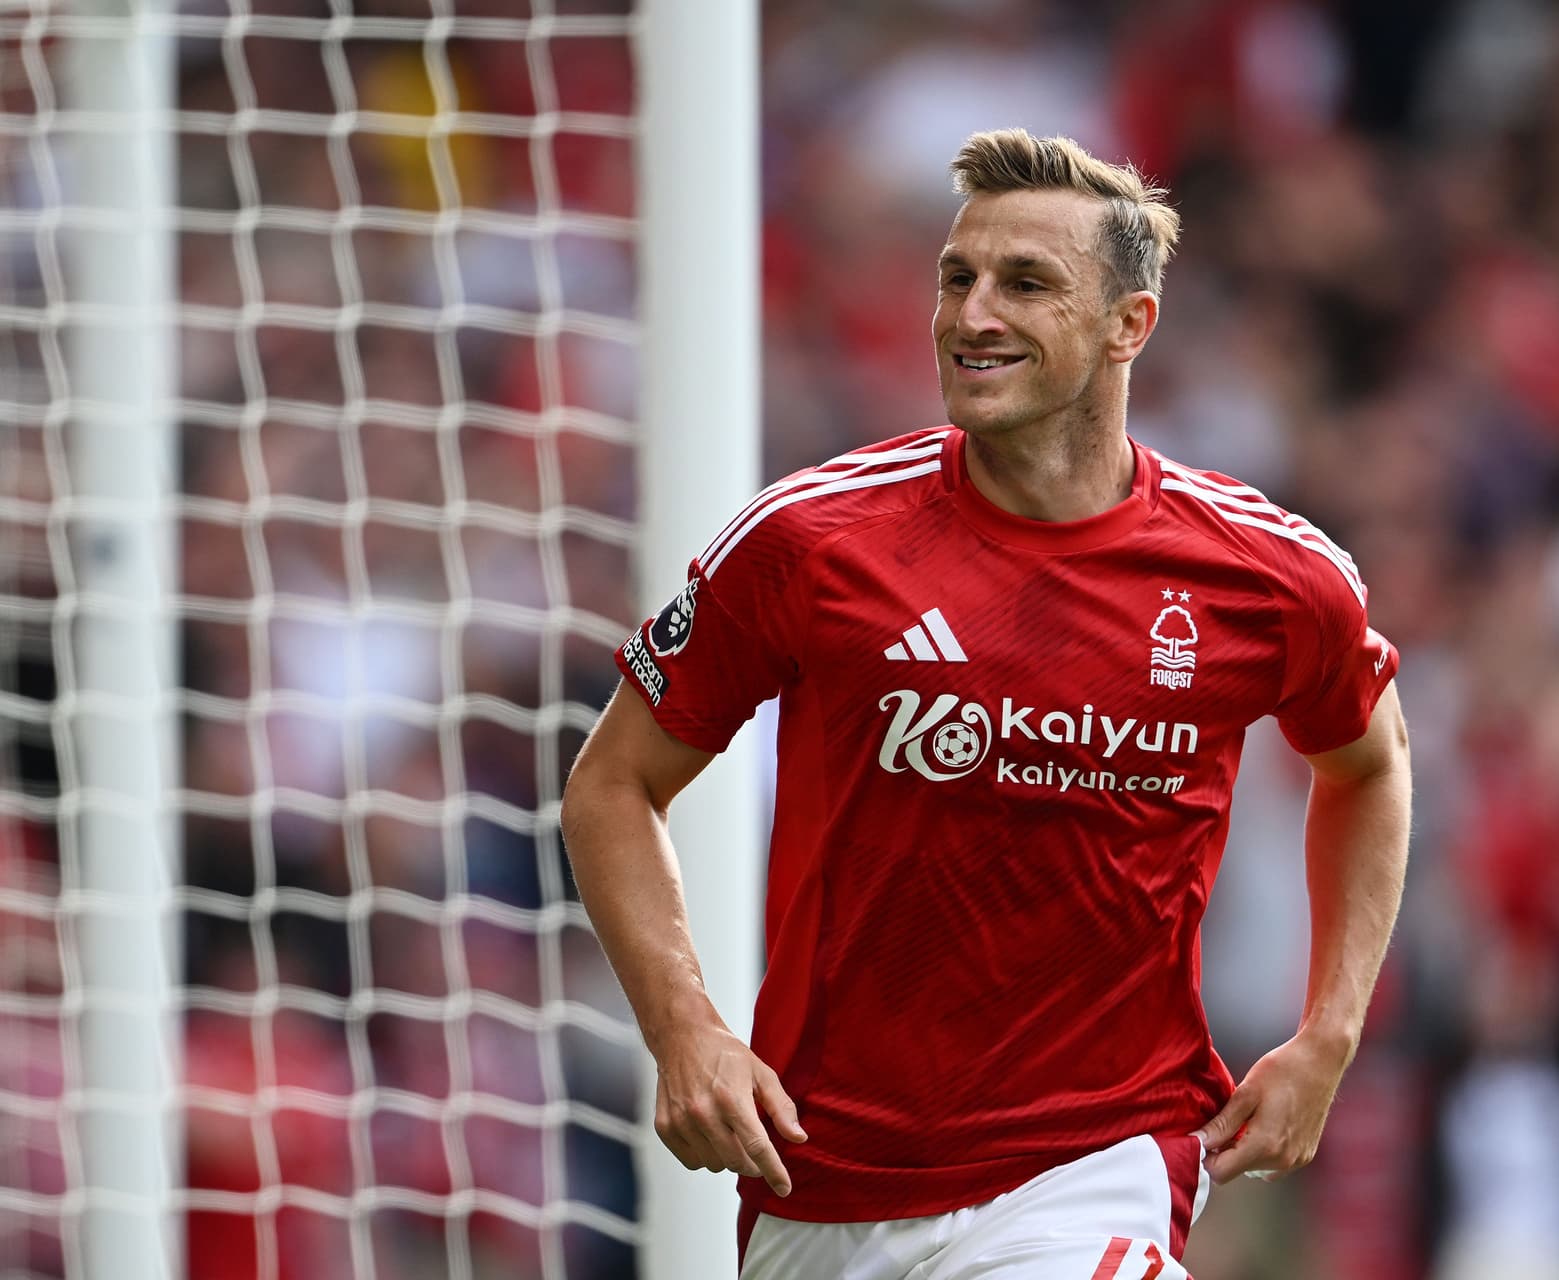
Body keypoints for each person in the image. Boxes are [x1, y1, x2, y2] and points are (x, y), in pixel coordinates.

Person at [561, 128, 1413, 1278]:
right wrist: (685, 1029)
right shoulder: (813, 540)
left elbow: (1369, 762)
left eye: (1026, 283)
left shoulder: (1264, 574)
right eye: (956, 278)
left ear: (1129, 325)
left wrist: (1331, 1029)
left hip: (1096, 1158)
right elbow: (614, 782)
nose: (972, 315)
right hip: (825, 1172)